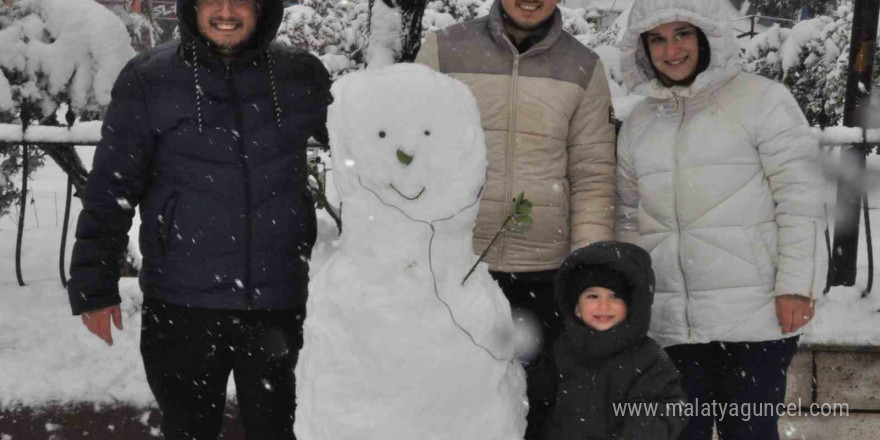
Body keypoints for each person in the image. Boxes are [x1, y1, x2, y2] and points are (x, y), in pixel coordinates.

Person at [66, 0, 331, 438]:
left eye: (240, 0)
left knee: (279, 429)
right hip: (181, 307)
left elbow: (366, 143)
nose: (225, 11)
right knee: (190, 430)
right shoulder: (150, 78)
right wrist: (94, 285)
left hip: (276, 304)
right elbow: (111, 188)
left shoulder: (300, 75)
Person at [615, 0, 828, 439]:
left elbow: (801, 196)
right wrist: (634, 300)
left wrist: (797, 285)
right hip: (671, 322)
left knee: (748, 432)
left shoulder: (763, 101)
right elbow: (627, 216)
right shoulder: (638, 123)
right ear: (643, 48)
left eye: (682, 34)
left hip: (753, 318)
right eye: (657, 38)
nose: (671, 50)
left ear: (707, 36)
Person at [414, 1, 617, 436]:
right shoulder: (446, 49)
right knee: (453, 403)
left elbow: (593, 174)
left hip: (545, 272)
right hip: (460, 268)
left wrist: (588, 270)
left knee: (540, 404)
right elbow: (412, 157)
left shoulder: (583, 66)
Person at [529, 241, 687, 440]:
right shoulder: (561, 351)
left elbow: (658, 410)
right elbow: (537, 405)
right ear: (576, 308)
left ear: (631, 306)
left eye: (614, 296)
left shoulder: (647, 358)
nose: (604, 305)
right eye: (593, 296)